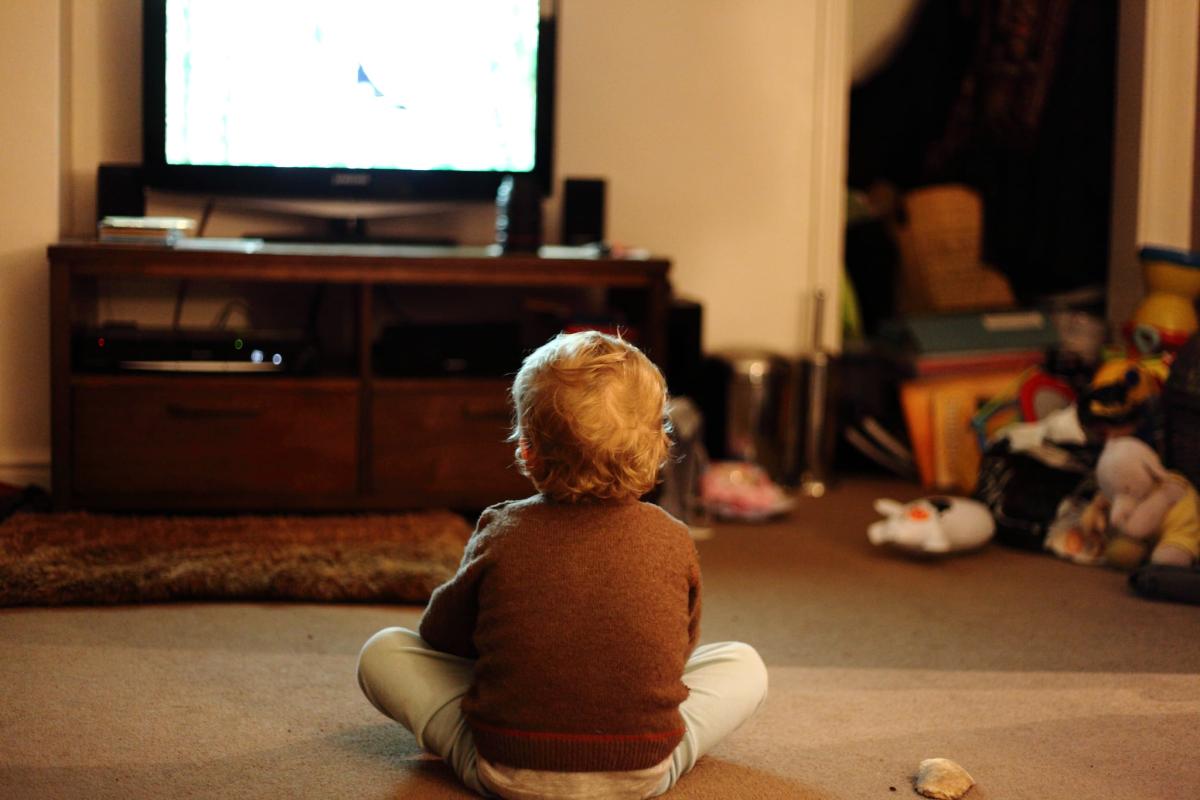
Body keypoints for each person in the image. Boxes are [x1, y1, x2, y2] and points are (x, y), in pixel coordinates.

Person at [357, 330, 767, 798]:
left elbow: (441, 638)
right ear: (657, 449)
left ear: (527, 448)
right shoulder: (672, 537)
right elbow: (680, 653)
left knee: (383, 650)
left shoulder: (500, 528)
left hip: (506, 769)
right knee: (744, 663)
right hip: (643, 770)